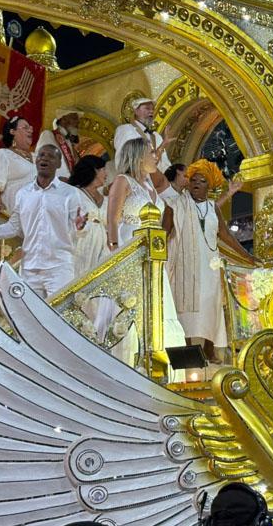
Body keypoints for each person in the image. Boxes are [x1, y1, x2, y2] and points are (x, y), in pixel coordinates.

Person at [0, 145, 86, 299]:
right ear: (36, 161)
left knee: (60, 314)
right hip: (30, 267)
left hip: (58, 266)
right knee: (28, 315)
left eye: (50, 156)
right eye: (41, 155)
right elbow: (14, 227)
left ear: (58, 164)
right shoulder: (24, 194)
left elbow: (82, 228)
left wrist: (80, 226)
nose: (44, 158)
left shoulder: (70, 193)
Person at [105, 138, 186, 375]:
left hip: (153, 252)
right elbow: (112, 218)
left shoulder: (150, 185)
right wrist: (115, 249)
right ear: (139, 155)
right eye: (152, 152)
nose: (156, 156)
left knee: (158, 303)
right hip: (131, 245)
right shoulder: (123, 181)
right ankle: (128, 363)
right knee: (132, 303)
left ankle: (162, 363)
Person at [163, 159, 255, 363]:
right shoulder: (174, 205)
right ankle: (187, 354)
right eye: (193, 180)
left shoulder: (213, 207)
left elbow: (226, 236)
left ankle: (209, 351)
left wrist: (247, 256)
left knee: (210, 305)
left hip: (210, 266)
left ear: (209, 185)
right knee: (185, 307)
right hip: (185, 267)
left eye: (202, 181)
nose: (196, 184)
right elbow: (163, 233)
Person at [112, 98, 173, 192]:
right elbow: (125, 160)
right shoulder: (125, 130)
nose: (151, 111)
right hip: (134, 185)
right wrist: (163, 145)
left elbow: (165, 165)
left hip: (158, 188)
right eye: (147, 108)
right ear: (136, 111)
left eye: (153, 109)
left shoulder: (157, 137)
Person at [0, 116, 36, 215]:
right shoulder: (2, 154)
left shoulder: (37, 157)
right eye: (25, 127)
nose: (30, 130)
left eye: (30, 127)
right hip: (13, 218)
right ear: (12, 131)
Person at [68, 155, 110, 279]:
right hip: (80, 242)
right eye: (103, 169)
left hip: (101, 246)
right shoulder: (74, 193)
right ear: (94, 170)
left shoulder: (106, 199)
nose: (106, 173)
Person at [36, 107, 83, 181]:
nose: (78, 122)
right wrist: (55, 179)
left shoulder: (68, 142)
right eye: (74, 118)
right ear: (63, 119)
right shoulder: (48, 134)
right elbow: (43, 160)